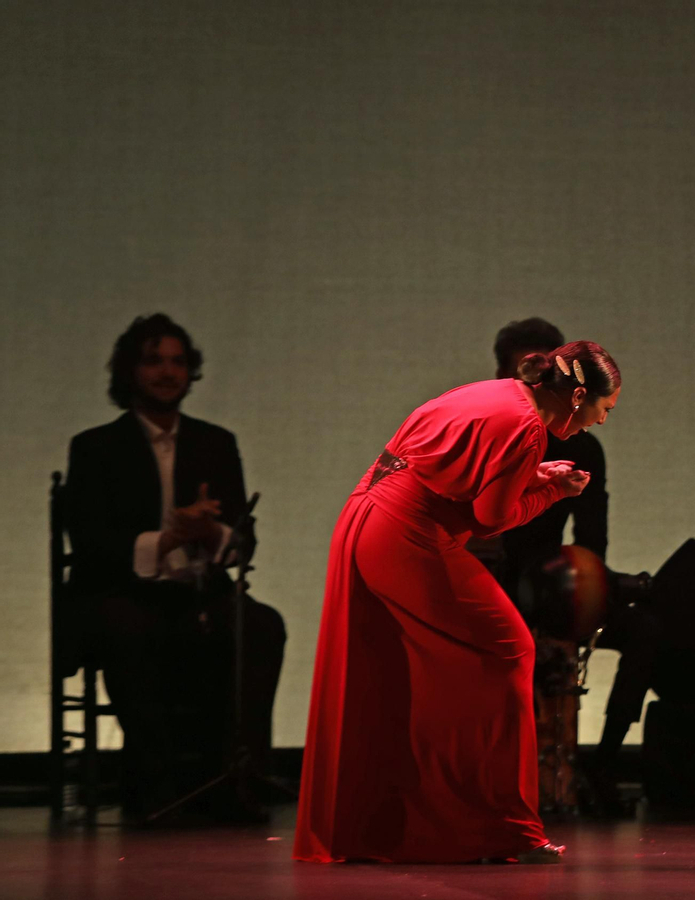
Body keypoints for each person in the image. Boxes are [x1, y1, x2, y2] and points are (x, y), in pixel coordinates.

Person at [294, 341, 619, 863]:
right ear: (579, 396)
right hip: (407, 536)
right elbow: (492, 516)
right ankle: (500, 827)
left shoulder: (498, 395)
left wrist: (539, 477)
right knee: (509, 650)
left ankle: (411, 821)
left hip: (367, 518)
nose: (601, 423)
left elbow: (460, 473)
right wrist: (554, 492)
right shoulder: (529, 428)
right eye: (605, 410)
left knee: (399, 671)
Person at [65, 314, 286, 824]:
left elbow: (242, 540)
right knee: (126, 627)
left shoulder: (215, 442)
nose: (168, 372)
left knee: (261, 624)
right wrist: (168, 538)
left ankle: (237, 778)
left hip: (199, 591)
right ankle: (154, 788)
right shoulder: (96, 447)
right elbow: (93, 546)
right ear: (130, 372)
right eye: (154, 360)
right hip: (123, 591)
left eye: (178, 361)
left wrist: (212, 534)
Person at [481, 317, 654, 813]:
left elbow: (591, 538)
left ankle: (599, 766)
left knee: (643, 627)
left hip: (554, 582)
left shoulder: (581, 445)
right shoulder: (501, 428)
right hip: (497, 581)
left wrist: (588, 589)